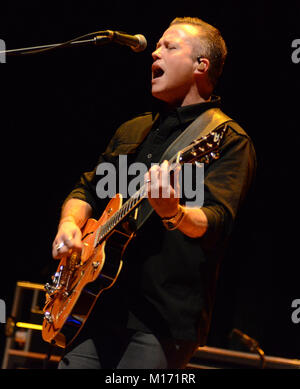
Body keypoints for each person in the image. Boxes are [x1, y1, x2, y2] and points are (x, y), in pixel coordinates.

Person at [51, 17, 256, 369]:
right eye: (157, 46)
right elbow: (87, 189)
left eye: (169, 46)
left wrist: (173, 212)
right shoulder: (133, 128)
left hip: (160, 322)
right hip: (95, 307)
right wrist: (70, 223)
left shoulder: (225, 139)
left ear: (200, 66)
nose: (154, 54)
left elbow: (217, 221)